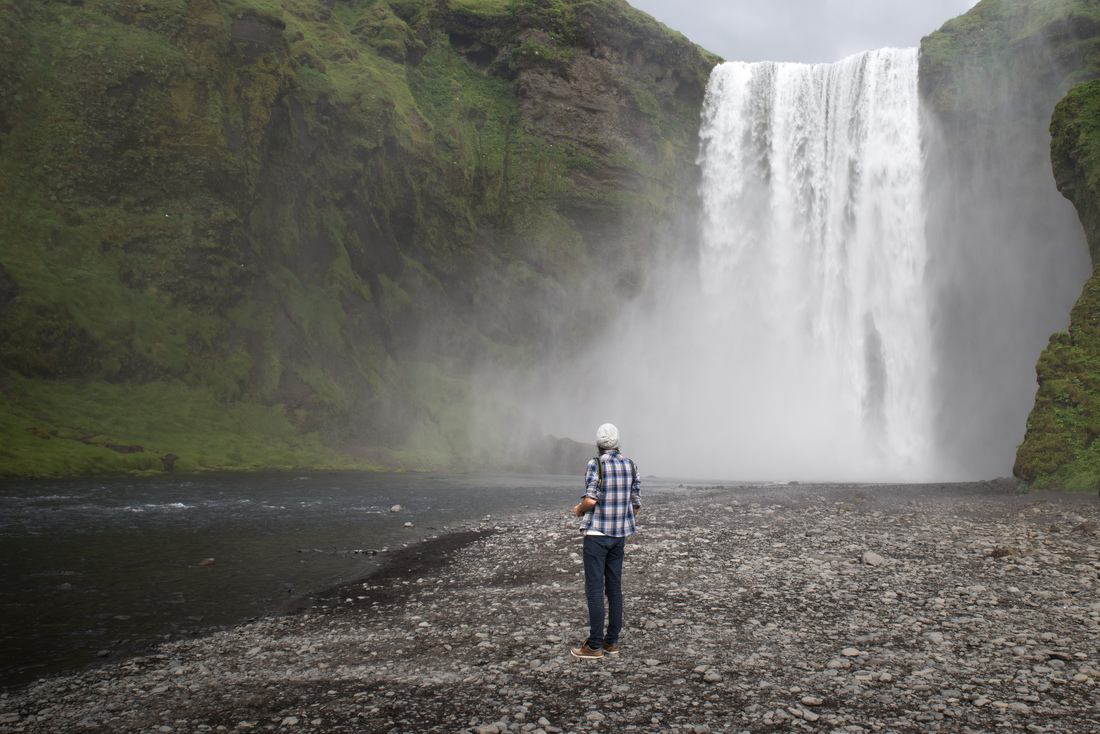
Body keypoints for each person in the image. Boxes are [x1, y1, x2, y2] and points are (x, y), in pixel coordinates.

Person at [570, 422, 641, 659]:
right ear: (618, 442)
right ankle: (612, 643)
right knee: (614, 588)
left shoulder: (596, 464)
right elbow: (636, 504)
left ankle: (594, 646)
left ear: (599, 443)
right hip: (619, 536)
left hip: (597, 535)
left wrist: (579, 510)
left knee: (594, 590)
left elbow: (590, 500)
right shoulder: (630, 465)